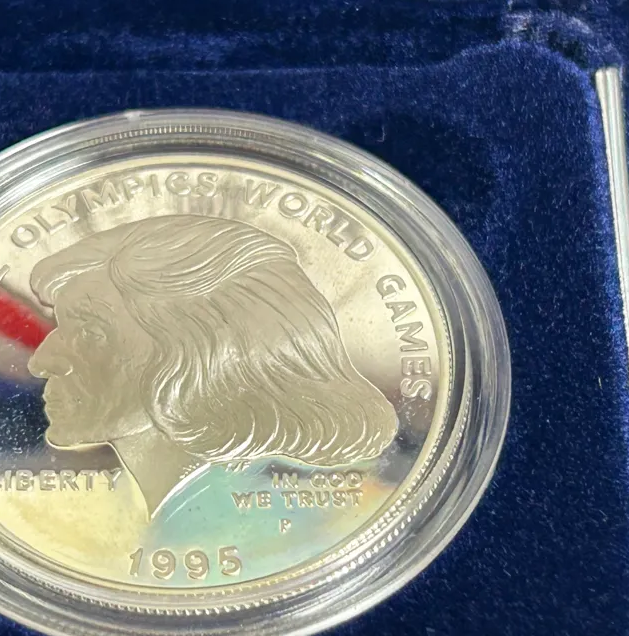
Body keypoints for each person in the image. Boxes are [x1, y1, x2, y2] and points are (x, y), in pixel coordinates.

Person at [27, 214, 397, 517]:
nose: (40, 362)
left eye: (91, 333)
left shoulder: (285, 527)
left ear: (200, 355)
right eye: (63, 329)